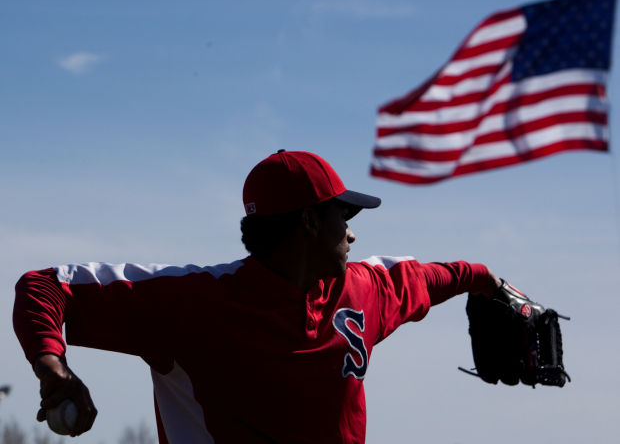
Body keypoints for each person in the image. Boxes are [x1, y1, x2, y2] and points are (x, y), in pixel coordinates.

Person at [13, 150, 501, 443]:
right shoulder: (193, 301)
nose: (350, 234)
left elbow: (435, 276)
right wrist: (53, 367)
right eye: (342, 217)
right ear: (309, 222)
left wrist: (488, 282)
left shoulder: (364, 287)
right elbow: (44, 284)